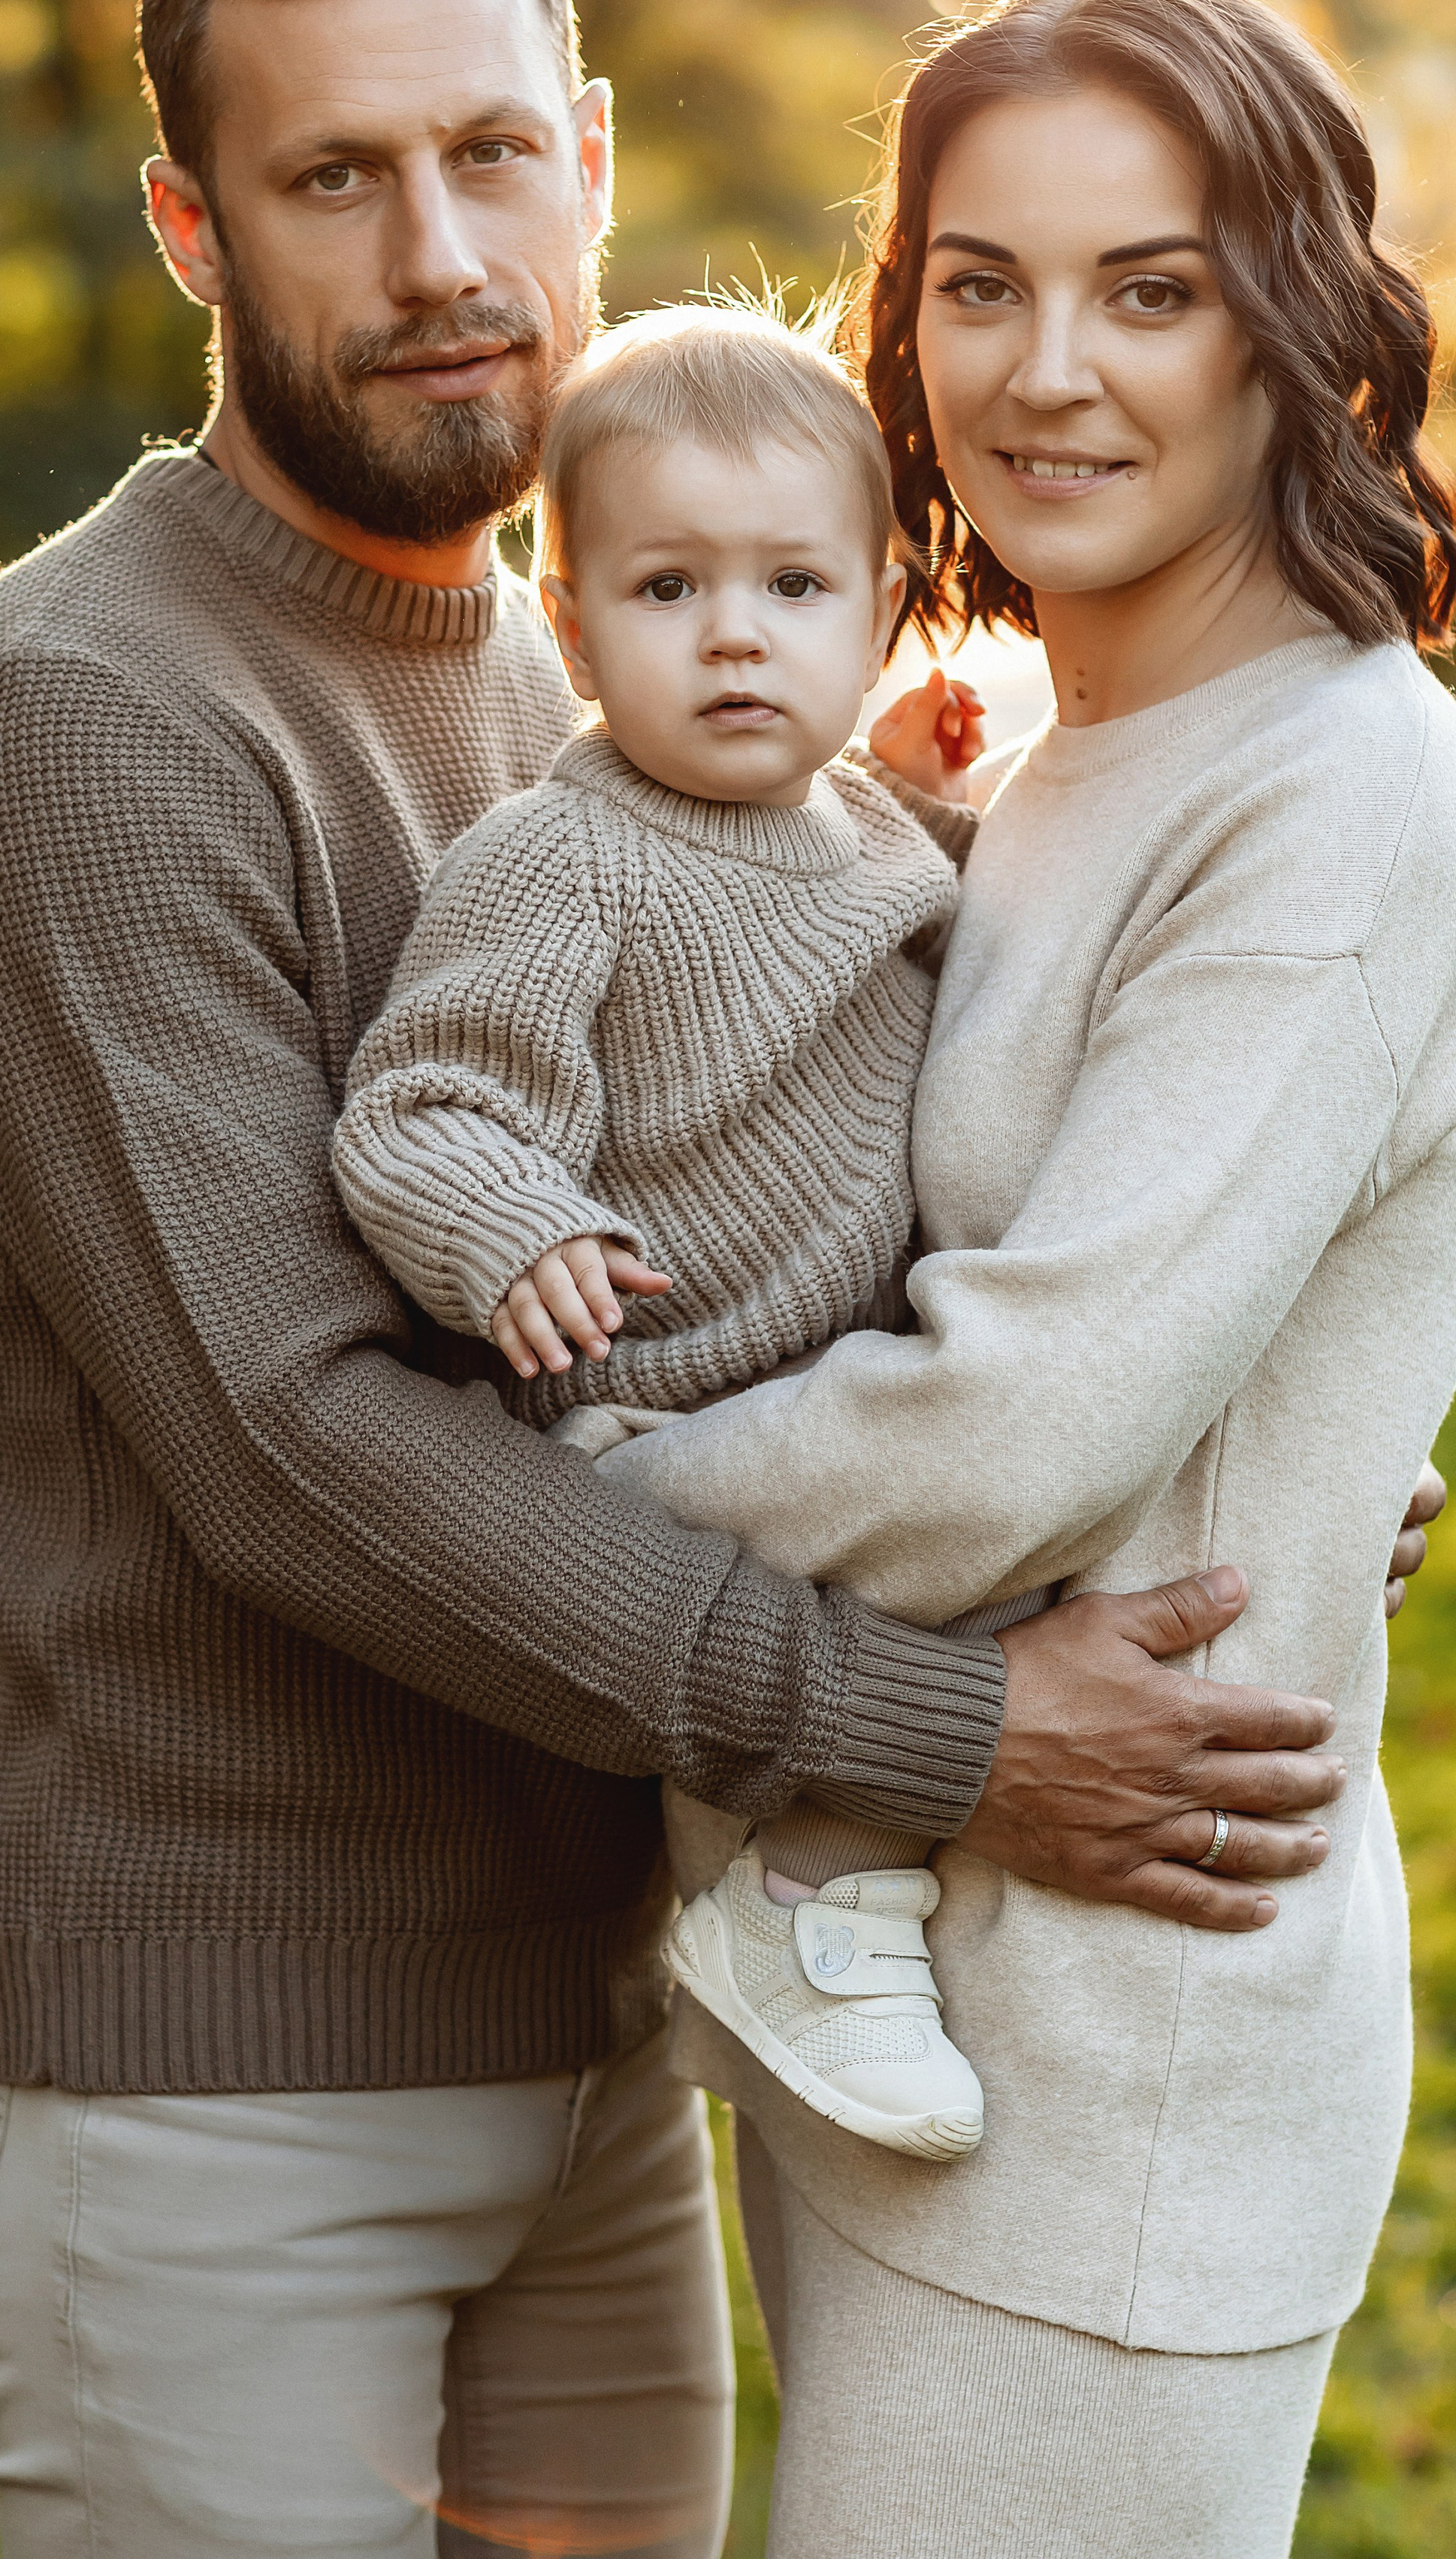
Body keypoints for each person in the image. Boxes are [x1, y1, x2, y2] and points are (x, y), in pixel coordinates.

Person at [0, 0, 1431, 2559]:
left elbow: (824, 1174)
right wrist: (948, 1729)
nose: (439, 253)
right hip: (223, 2073)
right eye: (333, 177)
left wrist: (1215, 1454)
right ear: (194, 228)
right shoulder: (91, 718)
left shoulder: (597, 659)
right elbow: (298, 1446)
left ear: (588, 158)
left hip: (598, 2017)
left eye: (489, 152)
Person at [586, 0, 1456, 2559]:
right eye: (980, 285)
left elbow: (1020, 1410)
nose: (1048, 372)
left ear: (1285, 323)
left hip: (1123, 2070)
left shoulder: (1336, 787)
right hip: (909, 1994)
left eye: (1152, 288)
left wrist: (540, 1524)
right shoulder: (1047, 745)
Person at [331, 302, 997, 2159]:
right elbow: (420, 1103)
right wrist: (512, 1226)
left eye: (791, 586)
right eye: (665, 588)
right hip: (664, 1416)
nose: (732, 635)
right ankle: (802, 1904)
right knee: (977, 1522)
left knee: (1061, 1486)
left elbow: (972, 940)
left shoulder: (863, 828)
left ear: (878, 608)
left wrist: (926, 782)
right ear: (569, 629)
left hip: (838, 1379)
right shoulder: (561, 857)